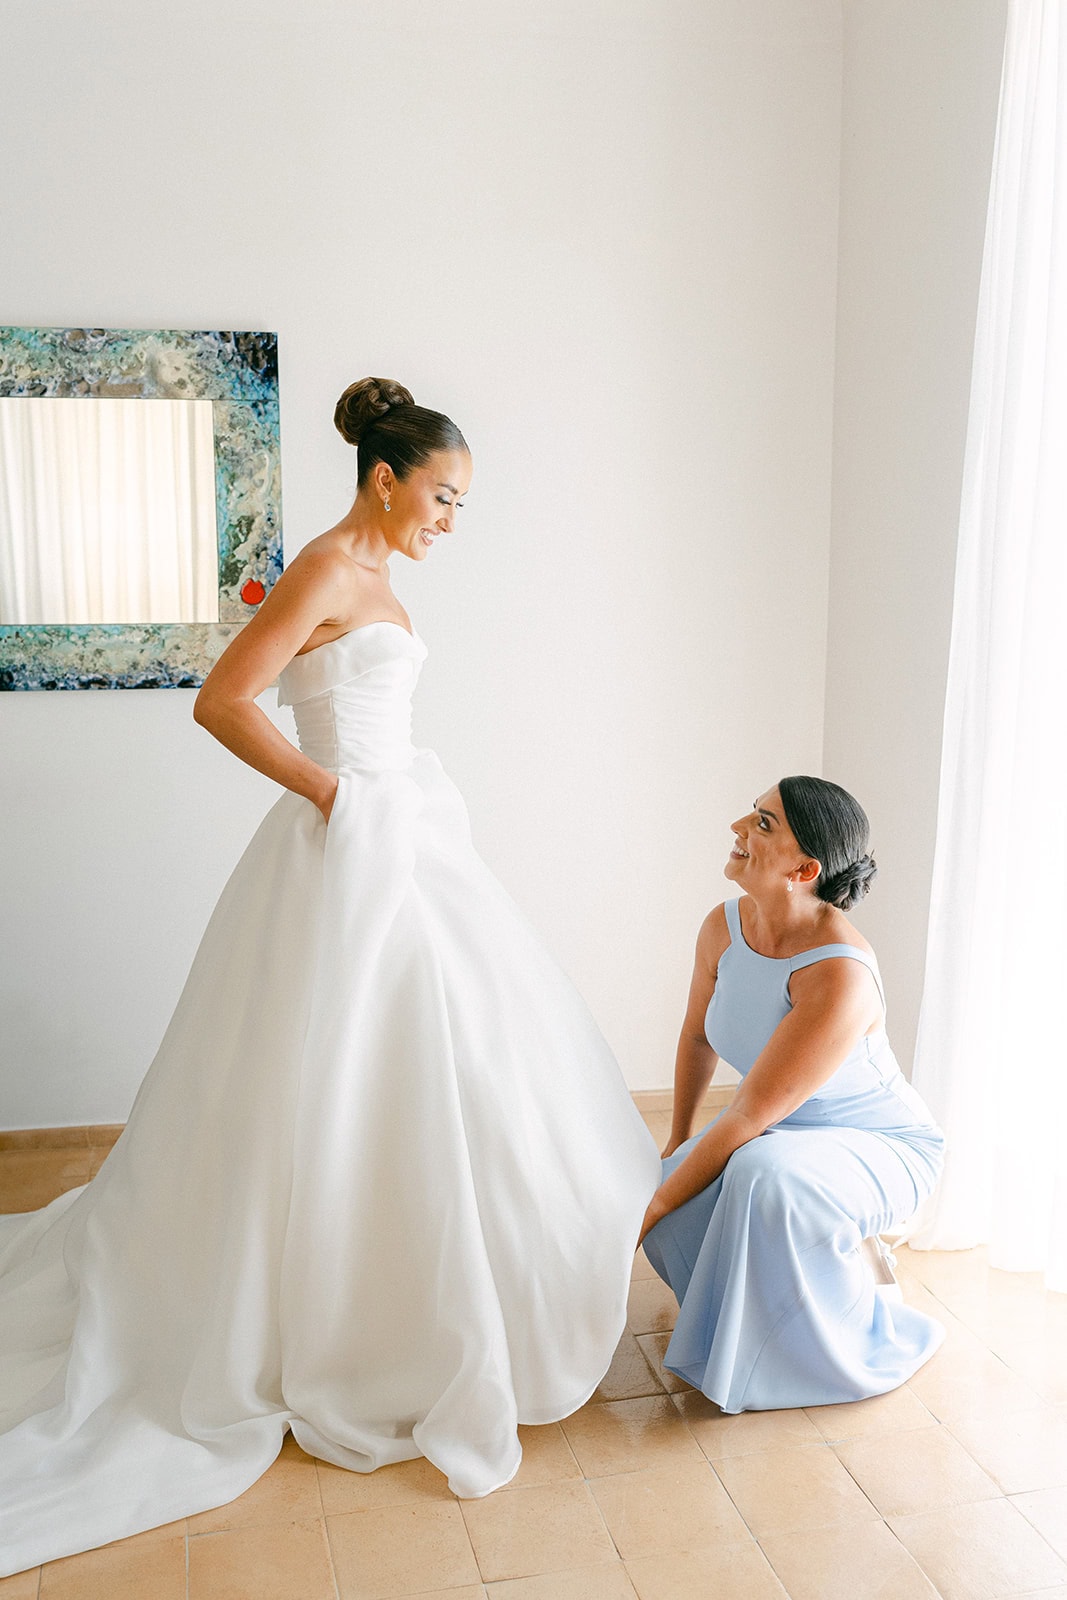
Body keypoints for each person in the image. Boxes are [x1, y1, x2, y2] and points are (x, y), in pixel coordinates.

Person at [0, 378, 659, 1577]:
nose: (448, 521)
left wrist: (380, 802)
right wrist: (338, 799)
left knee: (451, 1060)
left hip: (411, 840)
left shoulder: (383, 585)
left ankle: (449, 1297)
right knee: (343, 1072)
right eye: (442, 497)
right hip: (352, 844)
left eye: (459, 504)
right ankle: (346, 1315)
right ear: (384, 477)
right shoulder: (324, 568)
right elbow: (221, 701)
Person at [641, 776, 945, 1412]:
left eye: (764, 824)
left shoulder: (839, 971)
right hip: (782, 1133)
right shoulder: (722, 928)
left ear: (805, 868)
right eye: (754, 812)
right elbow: (697, 1037)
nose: (739, 827)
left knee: (752, 1174)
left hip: (881, 1144)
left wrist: (646, 1204)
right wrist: (675, 1144)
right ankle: (747, 1329)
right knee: (676, 1216)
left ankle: (830, 1349)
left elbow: (750, 1114)